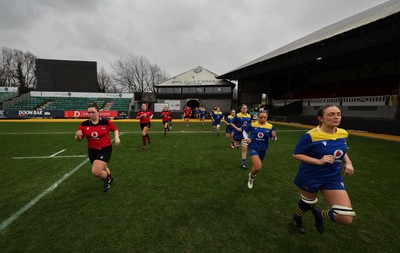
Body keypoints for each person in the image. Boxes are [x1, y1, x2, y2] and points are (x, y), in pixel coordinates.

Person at [291, 105, 356, 234]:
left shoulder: (343, 133)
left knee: (346, 218)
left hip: (332, 177)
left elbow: (343, 150)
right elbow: (296, 154)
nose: (336, 116)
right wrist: (318, 161)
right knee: (308, 203)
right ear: (320, 118)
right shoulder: (310, 136)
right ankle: (297, 218)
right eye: (331, 114)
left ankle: (319, 215)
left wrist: (348, 162)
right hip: (310, 176)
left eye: (338, 114)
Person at [75, 102, 121, 192]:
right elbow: (79, 139)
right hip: (92, 150)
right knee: (103, 167)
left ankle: (107, 180)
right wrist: (77, 136)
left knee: (96, 171)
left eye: (93, 112)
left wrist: (117, 137)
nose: (90, 114)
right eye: (89, 112)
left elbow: (115, 129)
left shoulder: (106, 122)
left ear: (98, 112)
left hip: (105, 149)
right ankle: (110, 176)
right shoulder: (83, 124)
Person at [243, 110, 277, 189]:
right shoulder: (252, 124)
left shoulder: (270, 127)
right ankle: (252, 177)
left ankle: (251, 176)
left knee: (256, 167)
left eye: (264, 117)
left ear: (267, 117)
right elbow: (245, 131)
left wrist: (274, 136)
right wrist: (246, 138)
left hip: (263, 149)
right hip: (253, 147)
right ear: (257, 117)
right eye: (261, 117)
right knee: (258, 167)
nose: (263, 119)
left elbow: (273, 140)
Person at [231, 104, 252, 169]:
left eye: (246, 108)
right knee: (237, 146)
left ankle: (243, 163)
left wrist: (250, 131)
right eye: (243, 108)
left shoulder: (249, 116)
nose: (245, 109)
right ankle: (235, 144)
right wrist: (237, 128)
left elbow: (250, 124)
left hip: (244, 135)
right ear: (241, 109)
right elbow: (231, 123)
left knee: (244, 148)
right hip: (237, 134)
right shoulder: (237, 115)